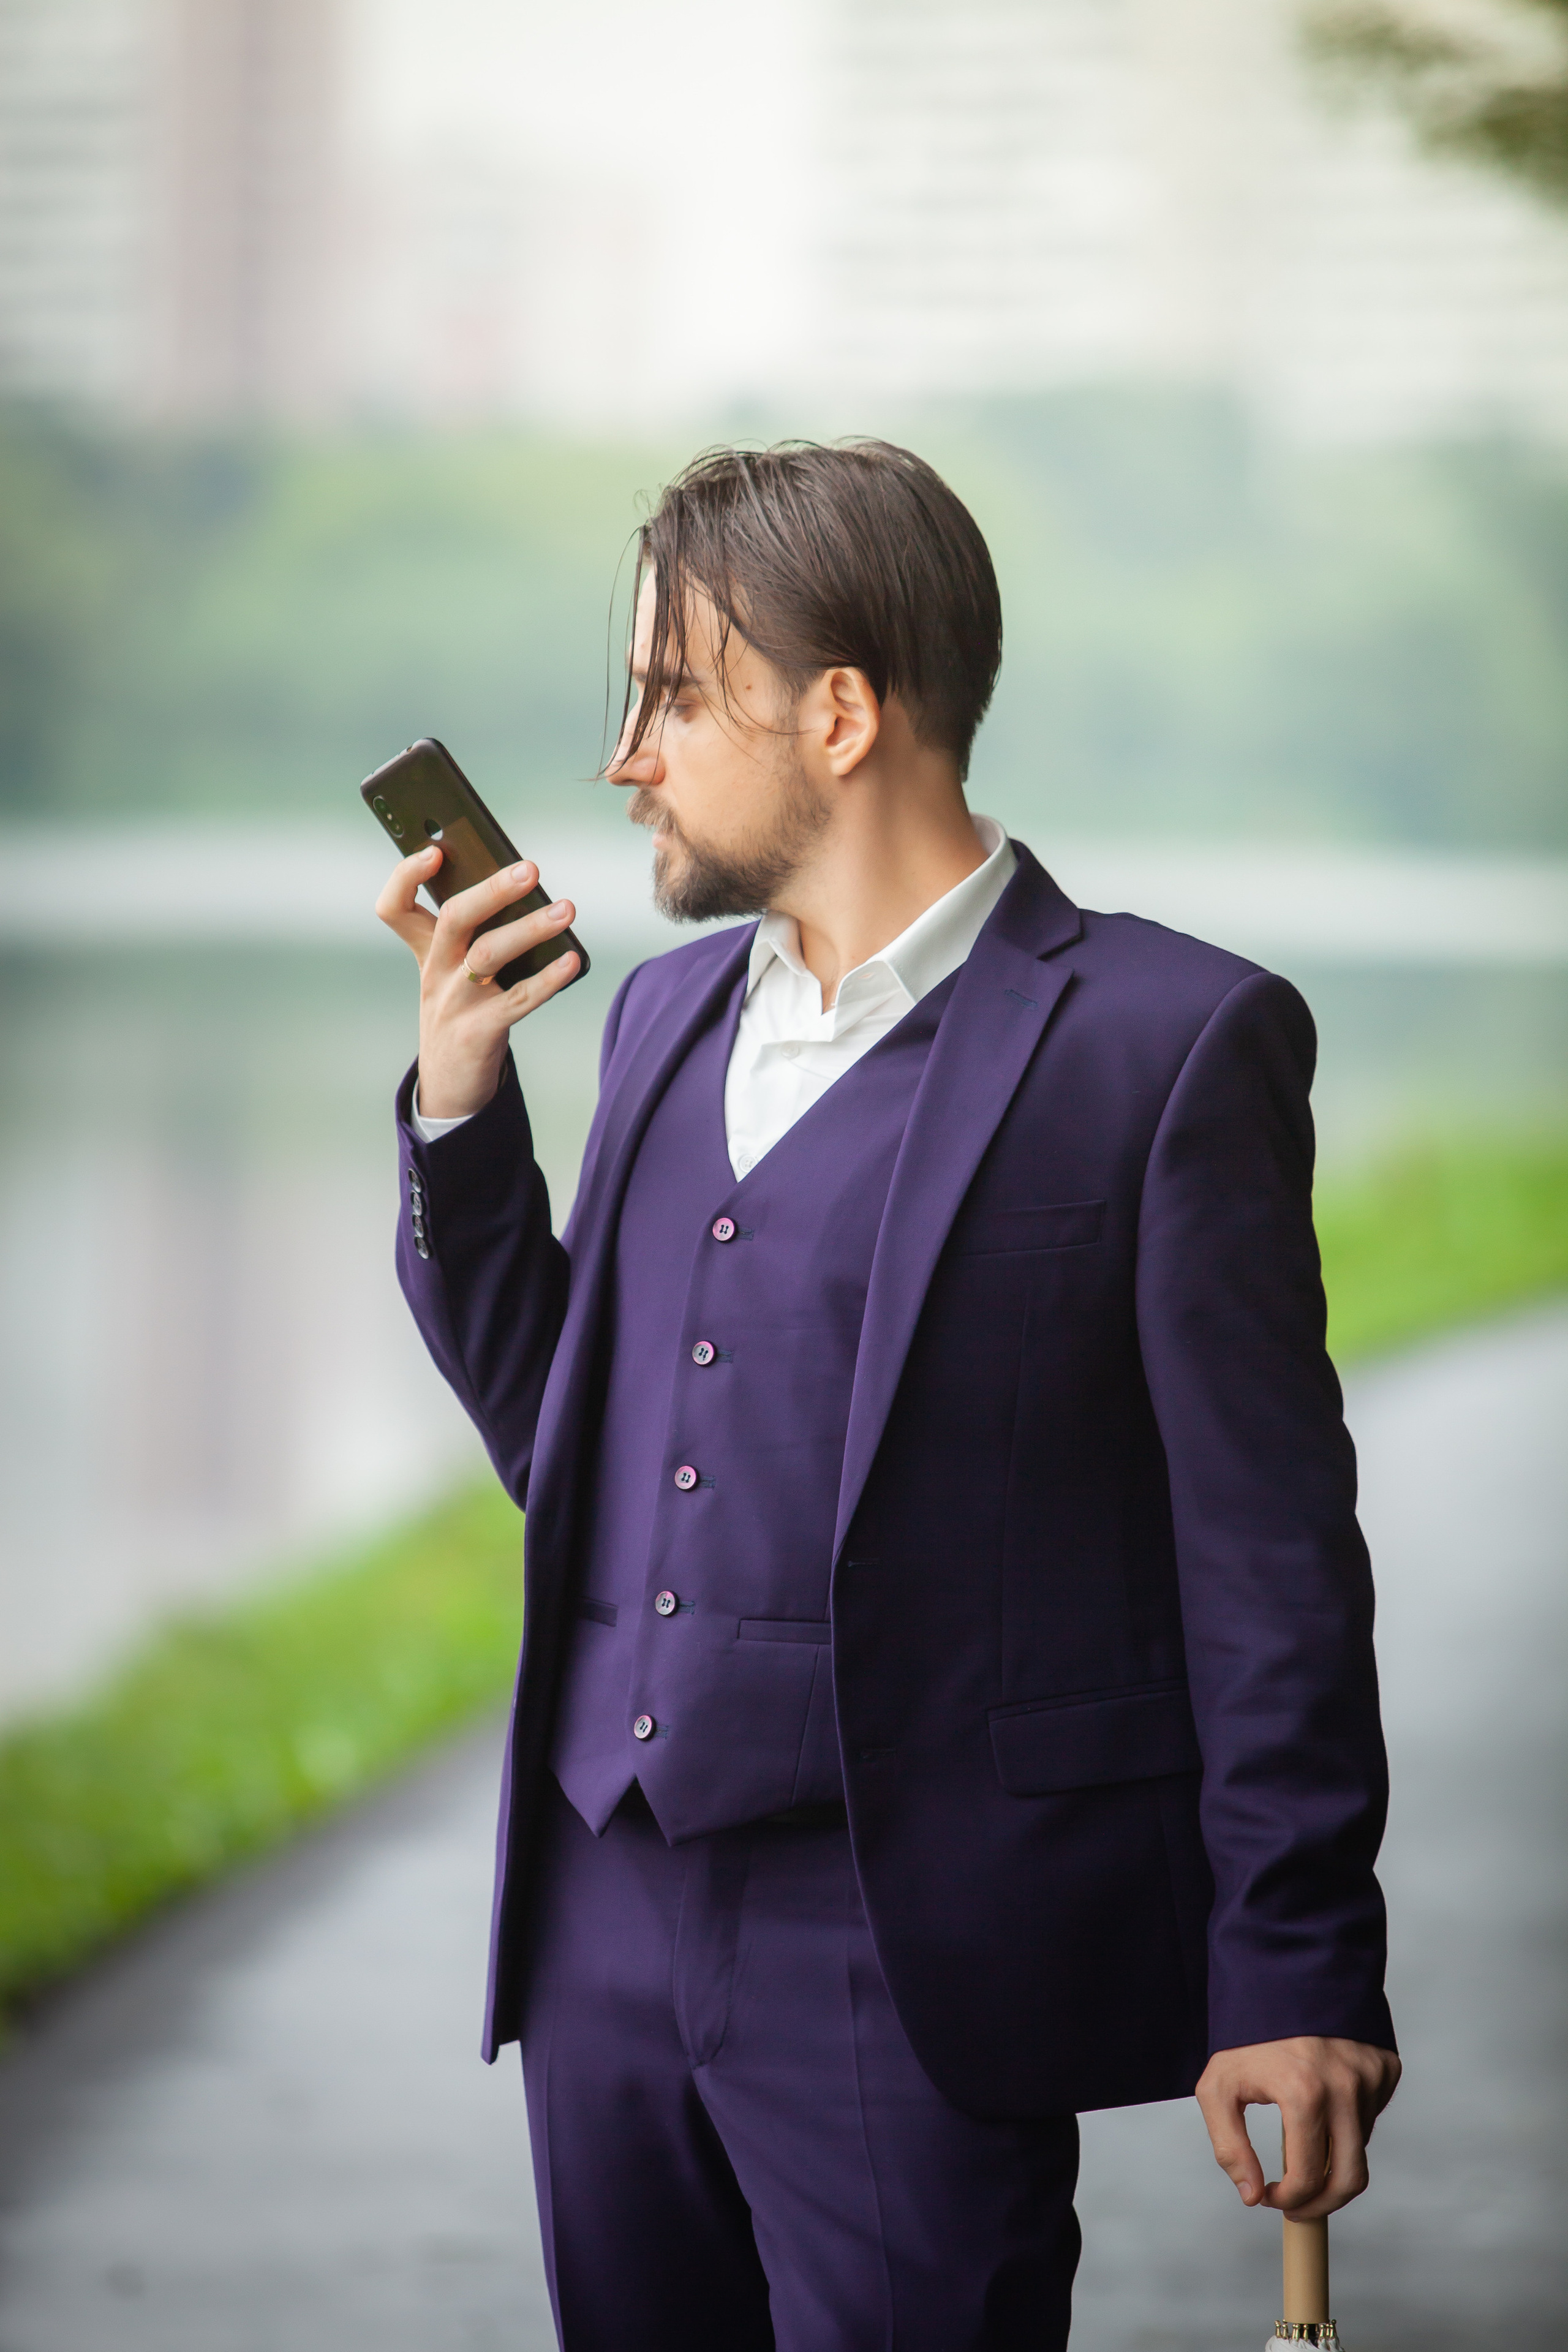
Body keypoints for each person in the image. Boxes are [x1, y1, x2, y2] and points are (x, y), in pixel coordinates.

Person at [375, 439, 1399, 2351]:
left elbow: (1268, 1563)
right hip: (603, 1920)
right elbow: (577, 1456)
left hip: (915, 1953)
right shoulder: (665, 1020)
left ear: (839, 715)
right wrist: (460, 1118)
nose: (628, 757)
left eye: (676, 696)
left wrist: (1300, 1963)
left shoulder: (1171, 1046)